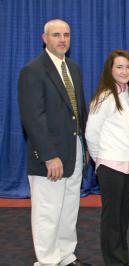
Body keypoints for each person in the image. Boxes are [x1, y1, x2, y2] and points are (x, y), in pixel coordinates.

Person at [18, 19, 90, 266]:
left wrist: (86, 146)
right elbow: (33, 118)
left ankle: (66, 256)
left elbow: (79, 111)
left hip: (75, 151)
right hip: (50, 158)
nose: (62, 39)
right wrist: (49, 155)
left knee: (69, 210)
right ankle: (48, 261)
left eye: (66, 35)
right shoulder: (33, 70)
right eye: (56, 35)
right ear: (44, 38)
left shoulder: (74, 68)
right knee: (47, 212)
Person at [85, 50, 129, 266]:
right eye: (119, 67)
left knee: (122, 216)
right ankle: (114, 261)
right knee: (111, 218)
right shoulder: (105, 97)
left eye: (128, 67)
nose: (124, 71)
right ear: (110, 70)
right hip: (110, 164)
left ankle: (122, 257)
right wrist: (100, 161)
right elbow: (91, 132)